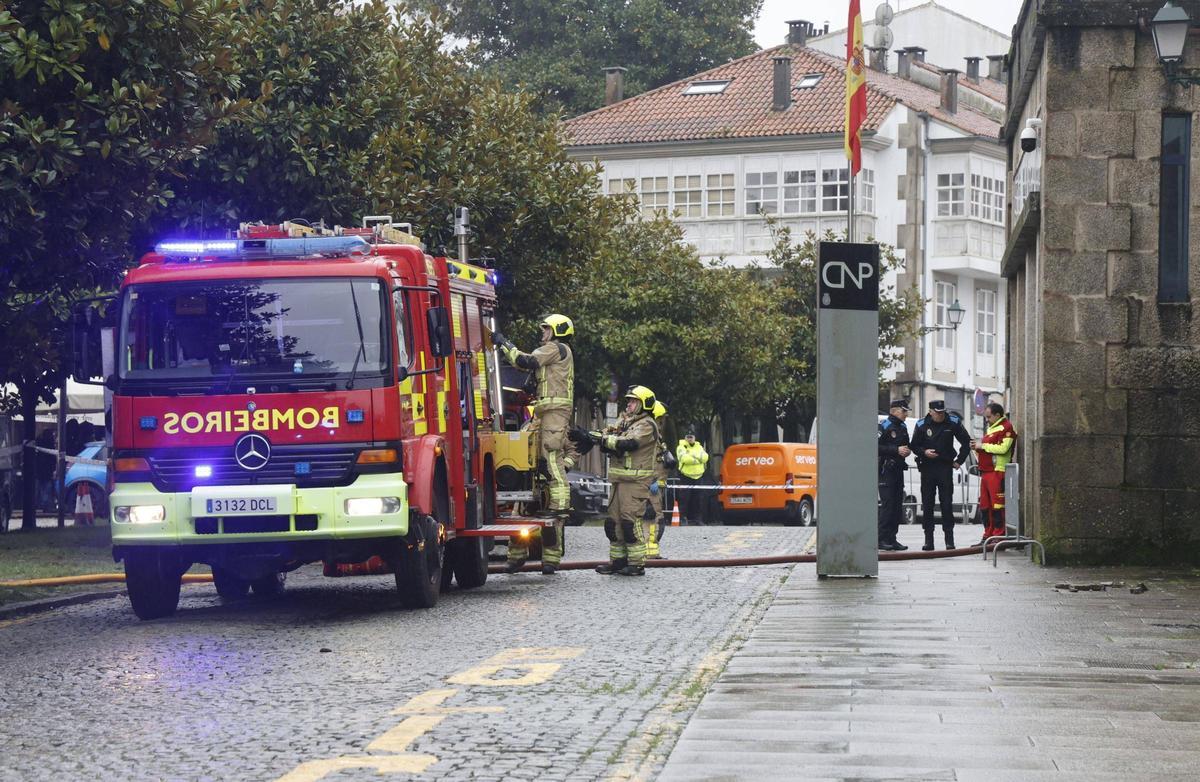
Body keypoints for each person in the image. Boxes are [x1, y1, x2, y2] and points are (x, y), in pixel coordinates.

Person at [492, 314, 575, 575]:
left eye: (547, 329)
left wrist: (504, 343)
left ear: (558, 331)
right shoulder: (558, 353)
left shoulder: (556, 348)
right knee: (533, 459)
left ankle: (559, 505)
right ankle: (516, 559)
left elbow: (524, 360)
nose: (543, 333)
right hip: (545, 409)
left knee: (550, 456)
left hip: (553, 409)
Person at [592, 386, 661, 576]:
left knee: (630, 523)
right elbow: (608, 436)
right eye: (629, 401)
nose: (629, 404)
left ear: (643, 404)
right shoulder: (626, 422)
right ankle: (618, 561)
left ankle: (636, 564)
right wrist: (591, 437)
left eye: (633, 401)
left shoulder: (646, 425)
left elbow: (628, 444)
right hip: (619, 480)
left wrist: (605, 441)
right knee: (613, 524)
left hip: (635, 482)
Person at [909, 400, 972, 551]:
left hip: (945, 467)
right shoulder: (921, 424)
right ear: (930, 411)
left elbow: (966, 442)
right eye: (937, 412)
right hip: (928, 468)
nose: (940, 415)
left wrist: (959, 461)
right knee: (928, 504)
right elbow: (914, 445)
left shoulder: (953, 422)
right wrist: (924, 452)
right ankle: (928, 540)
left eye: (942, 412)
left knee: (946, 504)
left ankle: (949, 540)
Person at [970, 401, 1017, 546]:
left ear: (998, 415)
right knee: (985, 506)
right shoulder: (992, 428)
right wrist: (977, 447)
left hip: (998, 471)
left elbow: (1003, 448)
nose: (987, 420)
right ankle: (988, 535)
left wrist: (982, 446)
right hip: (986, 471)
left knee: (997, 506)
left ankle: (998, 537)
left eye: (989, 417)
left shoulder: (1007, 427)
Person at [877, 399, 912, 551]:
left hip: (898, 470)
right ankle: (882, 539)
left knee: (897, 506)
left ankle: (892, 538)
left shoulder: (903, 426)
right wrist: (895, 450)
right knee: (888, 505)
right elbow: (875, 446)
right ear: (895, 410)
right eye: (904, 411)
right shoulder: (884, 425)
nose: (906, 414)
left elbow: (906, 444)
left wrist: (906, 451)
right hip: (886, 471)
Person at [646, 399, 675, 560]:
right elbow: (649, 460)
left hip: (657, 483)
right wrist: (652, 481)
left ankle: (649, 550)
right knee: (653, 517)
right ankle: (650, 551)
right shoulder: (651, 437)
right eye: (661, 419)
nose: (663, 422)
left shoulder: (656, 436)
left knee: (653, 517)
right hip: (652, 485)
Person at [675, 430, 709, 525]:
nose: (689, 439)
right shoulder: (681, 447)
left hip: (699, 476)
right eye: (688, 437)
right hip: (686, 476)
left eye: (691, 437)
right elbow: (684, 459)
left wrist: (692, 455)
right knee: (684, 498)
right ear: (685, 437)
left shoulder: (699, 447)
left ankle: (697, 519)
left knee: (698, 499)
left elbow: (705, 457)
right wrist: (698, 458)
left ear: (694, 438)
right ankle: (683, 518)